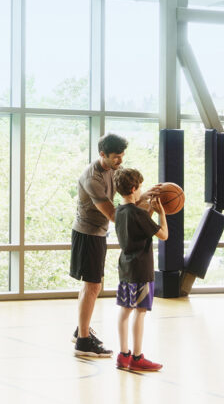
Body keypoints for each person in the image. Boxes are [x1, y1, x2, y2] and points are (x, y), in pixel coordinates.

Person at [70, 133, 127, 358]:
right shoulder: (92, 177)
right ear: (102, 154)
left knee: (92, 286)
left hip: (98, 233)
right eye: (116, 157)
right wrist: (139, 214)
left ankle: (81, 330)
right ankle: (83, 342)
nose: (120, 161)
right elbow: (113, 214)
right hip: (88, 234)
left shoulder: (114, 168)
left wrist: (147, 197)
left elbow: (127, 191)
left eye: (122, 156)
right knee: (92, 286)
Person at [113, 168, 168, 372]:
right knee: (141, 311)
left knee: (125, 310)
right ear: (134, 188)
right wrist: (161, 213)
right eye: (141, 187)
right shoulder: (138, 213)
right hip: (142, 269)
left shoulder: (119, 211)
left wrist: (149, 210)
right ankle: (137, 357)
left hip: (125, 268)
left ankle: (123, 354)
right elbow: (163, 235)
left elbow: (141, 225)